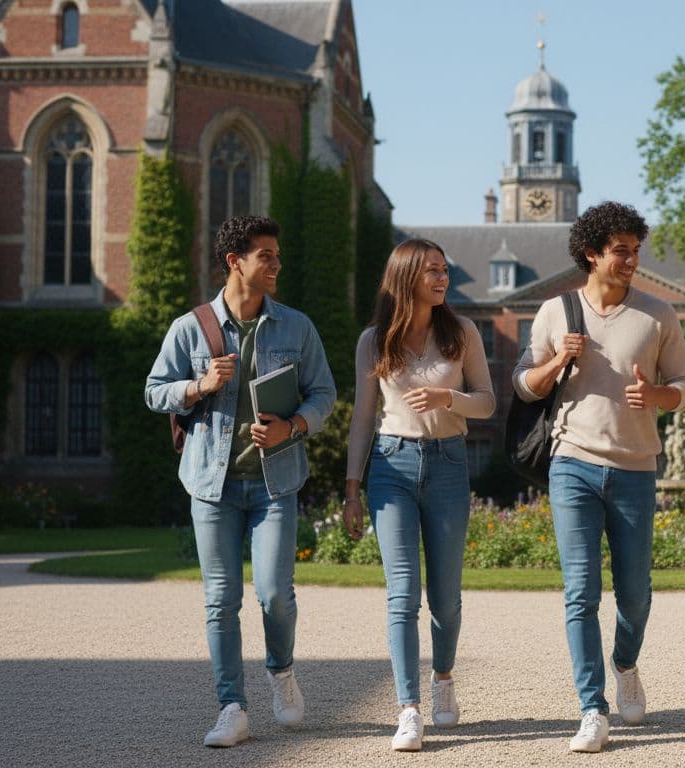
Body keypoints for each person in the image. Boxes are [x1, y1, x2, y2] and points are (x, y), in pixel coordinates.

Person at [145, 215, 336, 748]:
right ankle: (232, 706)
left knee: (275, 593)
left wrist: (292, 426)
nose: (277, 264)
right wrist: (197, 385)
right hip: (212, 485)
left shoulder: (296, 327)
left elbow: (324, 394)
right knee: (220, 599)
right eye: (266, 256)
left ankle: (281, 671)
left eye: (277, 255)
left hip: (275, 483)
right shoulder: (191, 328)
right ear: (235, 262)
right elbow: (154, 390)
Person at [512, 201, 685, 753]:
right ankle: (592, 708)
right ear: (592, 254)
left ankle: (625, 663)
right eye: (621, 251)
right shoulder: (555, 312)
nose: (632, 259)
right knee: (580, 592)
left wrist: (659, 395)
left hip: (636, 467)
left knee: (636, 595)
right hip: (572, 462)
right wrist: (556, 362)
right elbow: (524, 386)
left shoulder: (658, 314)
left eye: (637, 250)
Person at [342, 238, 496, 751]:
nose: (442, 277)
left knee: (446, 599)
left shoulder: (463, 332)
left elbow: (488, 404)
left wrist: (447, 396)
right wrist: (351, 489)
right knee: (402, 594)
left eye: (444, 270)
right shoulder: (374, 341)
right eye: (432, 270)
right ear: (406, 276)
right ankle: (408, 708)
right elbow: (363, 418)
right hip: (390, 466)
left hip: (449, 463)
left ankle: (444, 679)